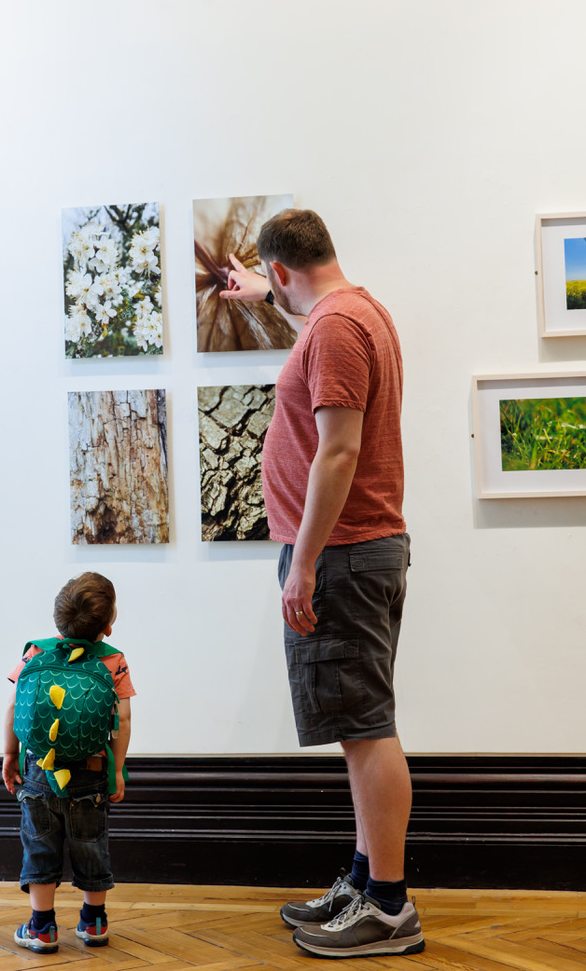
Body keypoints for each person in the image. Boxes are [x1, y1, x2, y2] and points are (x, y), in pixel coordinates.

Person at [220, 209, 424, 960]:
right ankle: (368, 883)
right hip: (358, 549)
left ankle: (390, 909)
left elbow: (337, 454)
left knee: (367, 729)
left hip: (341, 552)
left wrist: (303, 562)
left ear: (282, 269)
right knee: (357, 724)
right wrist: (261, 296)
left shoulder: (336, 328)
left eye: (268, 280)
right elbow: (314, 367)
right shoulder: (351, 312)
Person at [2, 571, 134, 954]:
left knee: (40, 847)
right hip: (91, 775)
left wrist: (11, 755)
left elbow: (13, 707)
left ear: (58, 619)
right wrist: (117, 770)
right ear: (108, 626)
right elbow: (122, 720)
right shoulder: (113, 661)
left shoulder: (35, 654)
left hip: (40, 772)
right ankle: (94, 923)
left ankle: (42, 927)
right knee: (91, 845)